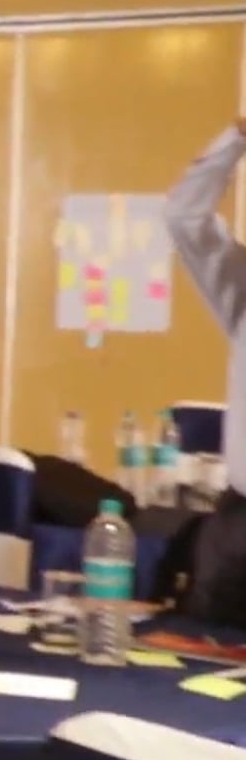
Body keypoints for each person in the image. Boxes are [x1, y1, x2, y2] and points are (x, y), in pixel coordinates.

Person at [158, 111, 246, 625]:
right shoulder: (242, 285)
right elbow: (184, 217)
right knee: (202, 659)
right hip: (238, 531)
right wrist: (236, 138)